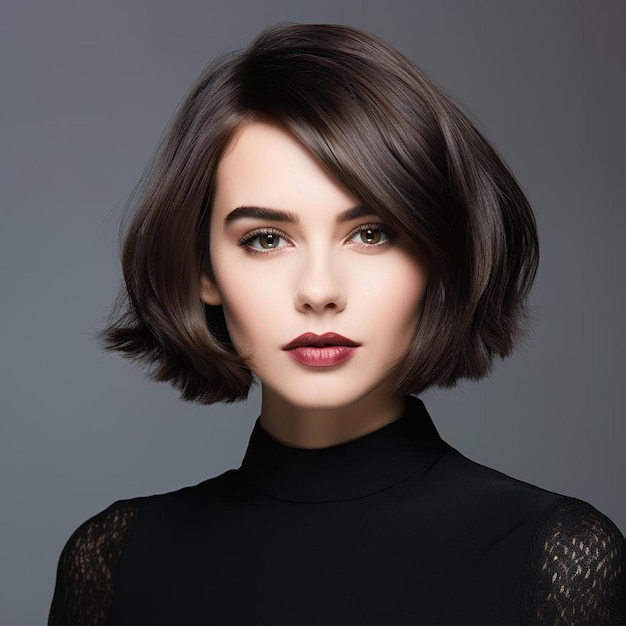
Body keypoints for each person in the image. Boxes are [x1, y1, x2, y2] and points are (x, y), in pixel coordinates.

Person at [48, 23, 625, 625]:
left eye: (370, 234)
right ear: (204, 269)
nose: (319, 291)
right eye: (266, 239)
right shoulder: (116, 560)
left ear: (437, 256)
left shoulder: (551, 558)